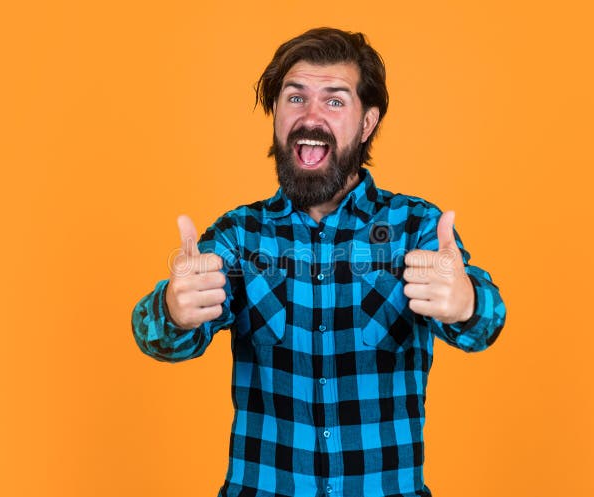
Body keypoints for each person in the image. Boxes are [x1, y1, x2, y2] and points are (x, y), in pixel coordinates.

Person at [132, 27, 506, 497]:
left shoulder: (416, 227)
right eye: (295, 98)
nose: (310, 117)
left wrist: (468, 303)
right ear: (275, 115)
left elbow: (486, 326)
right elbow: (156, 338)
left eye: (334, 101)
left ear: (367, 123)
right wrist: (171, 310)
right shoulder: (238, 236)